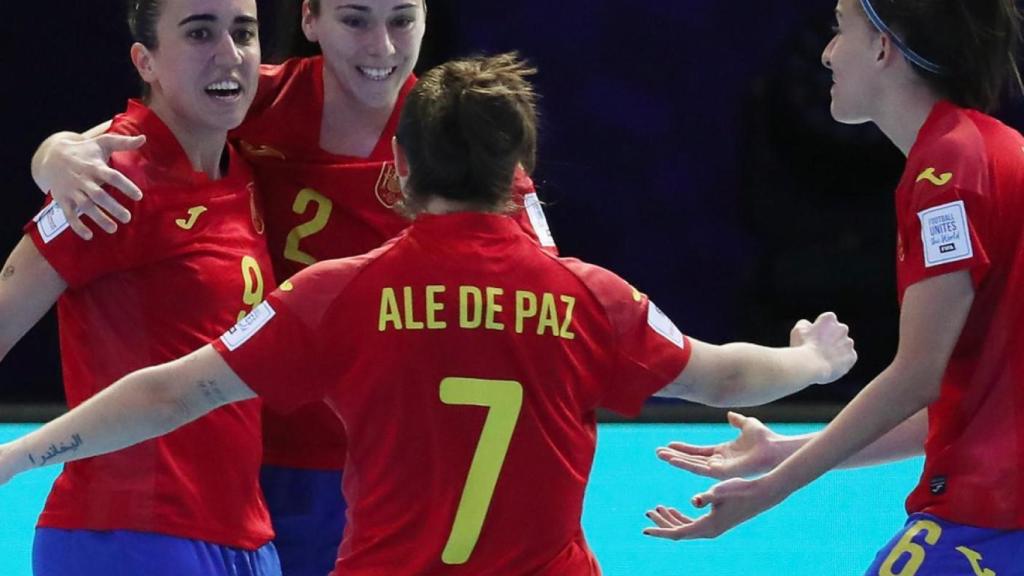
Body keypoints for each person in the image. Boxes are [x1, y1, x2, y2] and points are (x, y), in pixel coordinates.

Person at [3, 53, 856, 575]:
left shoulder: (337, 292)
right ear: (520, 170)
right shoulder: (590, 297)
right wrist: (811, 362)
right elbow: (722, 376)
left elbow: (169, 393)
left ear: (401, 169)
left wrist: (19, 455)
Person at [29, 3, 555, 574]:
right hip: (263, 464)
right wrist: (52, 154)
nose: (380, 47)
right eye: (355, 21)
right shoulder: (257, 97)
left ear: (426, 19)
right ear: (310, 21)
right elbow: (135, 138)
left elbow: (545, 291)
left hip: (395, 466)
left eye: (401, 20)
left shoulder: (454, 135)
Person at [643, 1, 1024, 573]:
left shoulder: (949, 172)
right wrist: (781, 450)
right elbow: (959, 405)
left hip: (993, 511)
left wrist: (773, 487)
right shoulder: (981, 152)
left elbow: (916, 379)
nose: (825, 53)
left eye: (840, 28)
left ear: (881, 47)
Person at [2, 0, 282, 574]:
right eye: (200, 33)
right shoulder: (110, 178)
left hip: (245, 537)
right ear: (145, 61)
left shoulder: (245, 163)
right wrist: (51, 156)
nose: (228, 54)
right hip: (128, 537)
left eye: (244, 32)